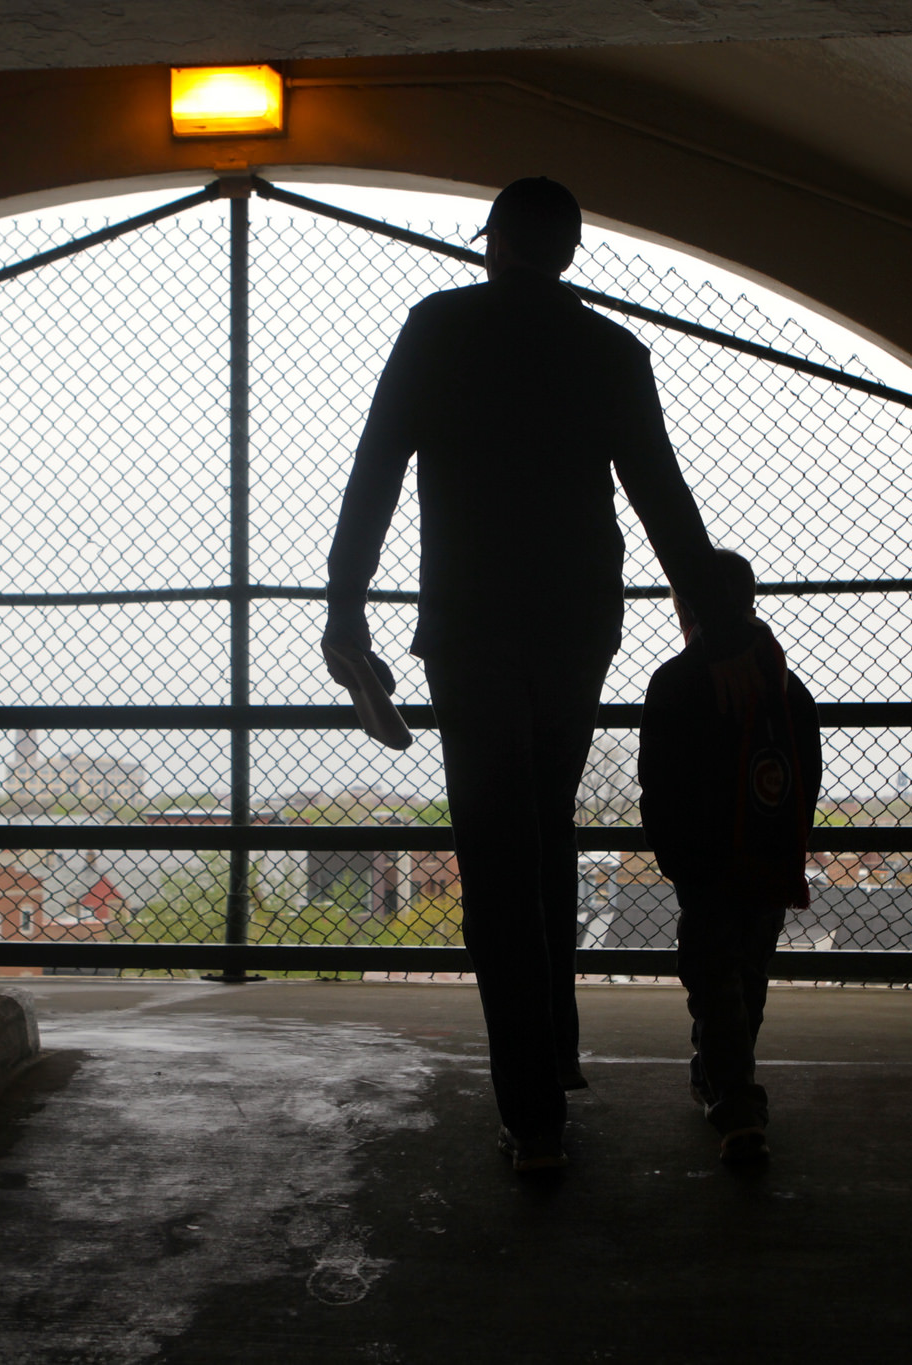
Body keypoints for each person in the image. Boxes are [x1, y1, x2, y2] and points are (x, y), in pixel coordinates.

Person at [323, 176, 759, 1173]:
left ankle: (532, 1115)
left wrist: (347, 604)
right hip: (575, 624)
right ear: (566, 252)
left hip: (470, 622)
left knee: (494, 852)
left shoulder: (437, 329)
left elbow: (376, 466)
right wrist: (726, 635)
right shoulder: (609, 351)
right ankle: (553, 1060)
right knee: (548, 826)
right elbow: (662, 499)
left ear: (492, 245)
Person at [638, 549, 820, 1164]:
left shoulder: (676, 681)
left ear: (687, 608)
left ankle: (737, 1102)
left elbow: (657, 783)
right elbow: (807, 776)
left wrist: (676, 857)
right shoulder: (784, 685)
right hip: (769, 862)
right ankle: (719, 1077)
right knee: (747, 977)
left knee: (713, 978)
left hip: (706, 868)